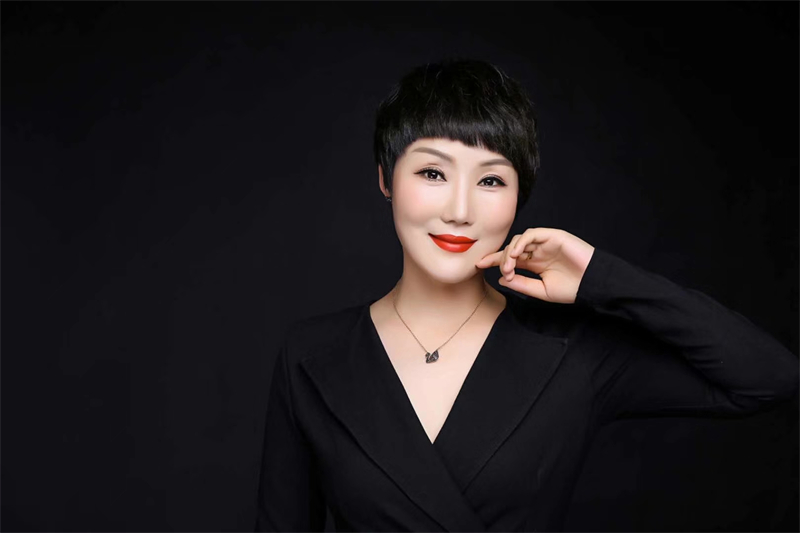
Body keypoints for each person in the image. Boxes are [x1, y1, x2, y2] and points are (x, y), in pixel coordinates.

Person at [254, 58, 798, 532]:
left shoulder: (572, 351)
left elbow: (767, 377)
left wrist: (599, 276)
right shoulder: (312, 356)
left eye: (491, 180)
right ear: (386, 179)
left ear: (520, 197)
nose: (459, 210)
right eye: (432, 172)